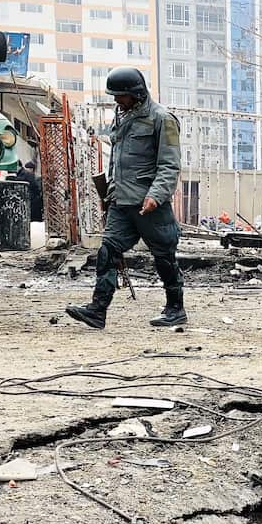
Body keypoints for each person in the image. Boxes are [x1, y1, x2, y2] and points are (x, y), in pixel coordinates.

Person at [66, 66, 184, 330]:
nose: (117, 100)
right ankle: (97, 310)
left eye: (121, 95)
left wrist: (156, 195)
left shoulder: (162, 119)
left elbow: (169, 165)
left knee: (164, 257)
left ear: (137, 93)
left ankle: (175, 308)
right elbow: (116, 162)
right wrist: (110, 194)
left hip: (149, 204)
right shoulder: (122, 117)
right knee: (107, 251)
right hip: (121, 202)